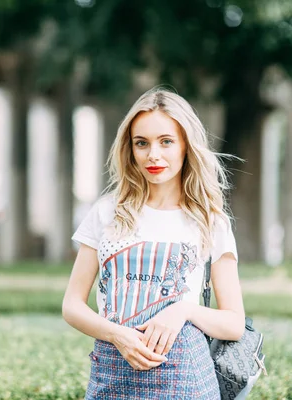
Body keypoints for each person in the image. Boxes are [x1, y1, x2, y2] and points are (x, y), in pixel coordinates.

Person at [62, 87, 245, 399]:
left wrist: (183, 311)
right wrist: (118, 335)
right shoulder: (107, 212)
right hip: (112, 376)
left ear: (186, 145)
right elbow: (72, 305)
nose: (153, 155)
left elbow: (234, 324)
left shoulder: (209, 220)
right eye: (141, 143)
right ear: (130, 149)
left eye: (166, 142)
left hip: (185, 380)